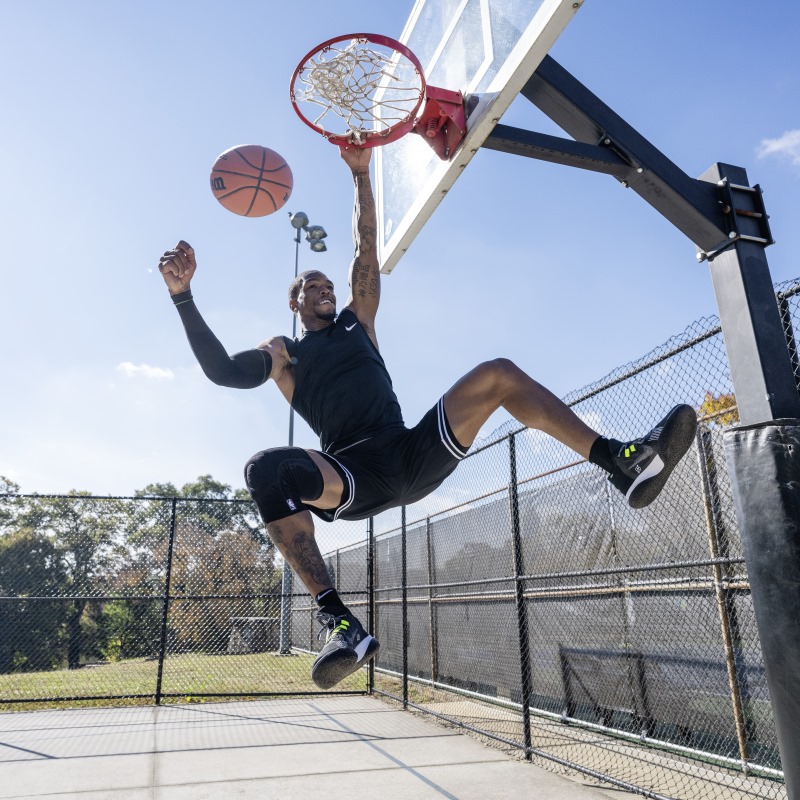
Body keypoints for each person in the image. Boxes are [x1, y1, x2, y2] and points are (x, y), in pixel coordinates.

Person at [158, 145, 697, 690]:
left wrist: (361, 172)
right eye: (310, 286)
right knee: (264, 469)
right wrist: (183, 296)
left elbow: (366, 243)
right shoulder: (286, 356)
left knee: (499, 373)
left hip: (411, 451)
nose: (322, 289)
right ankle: (340, 624)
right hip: (352, 475)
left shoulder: (358, 320)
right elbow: (225, 371)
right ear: (294, 302)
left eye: (327, 285)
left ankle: (621, 461)